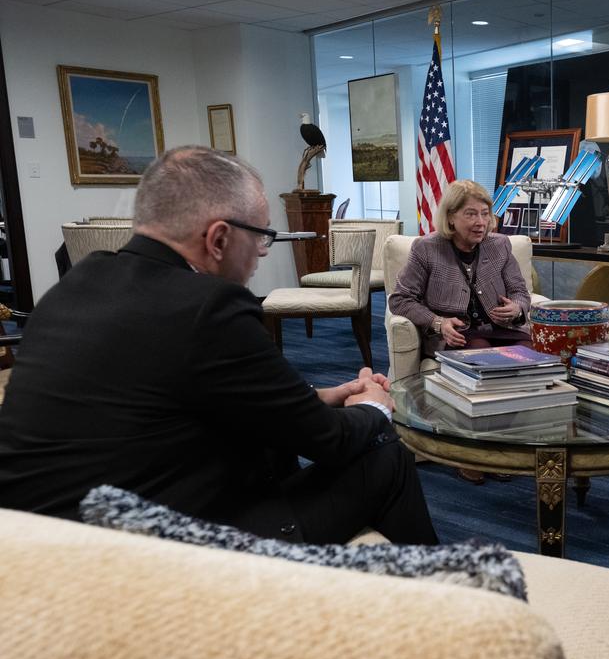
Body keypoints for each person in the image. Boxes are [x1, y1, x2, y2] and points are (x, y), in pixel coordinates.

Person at [0, 146, 438, 546]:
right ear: (219, 239)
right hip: (148, 557)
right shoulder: (208, 306)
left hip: (41, 544)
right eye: (262, 236)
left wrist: (315, 398)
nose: (263, 252)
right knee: (387, 458)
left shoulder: (81, 281)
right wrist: (375, 405)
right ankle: (446, 602)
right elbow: (330, 443)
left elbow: (169, 396)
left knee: (270, 439)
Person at [388, 178, 532, 485]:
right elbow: (399, 300)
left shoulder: (500, 245)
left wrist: (516, 309)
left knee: (536, 352)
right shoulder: (426, 249)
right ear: (451, 217)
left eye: (485, 213)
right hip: (456, 335)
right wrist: (438, 322)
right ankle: (473, 452)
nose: (481, 222)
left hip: (500, 330)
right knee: (483, 354)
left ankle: (501, 445)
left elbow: (521, 292)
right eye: (471, 214)